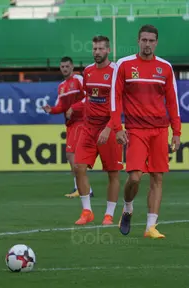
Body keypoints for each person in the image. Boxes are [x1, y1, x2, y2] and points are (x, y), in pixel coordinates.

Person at [111, 25, 181, 238]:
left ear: (156, 42)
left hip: (159, 130)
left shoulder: (166, 68)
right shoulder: (124, 65)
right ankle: (128, 208)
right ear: (138, 41)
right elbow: (115, 97)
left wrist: (176, 131)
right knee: (134, 178)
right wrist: (117, 127)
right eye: (144, 40)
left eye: (151, 40)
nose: (147, 44)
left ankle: (151, 226)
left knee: (157, 178)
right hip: (135, 130)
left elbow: (172, 101)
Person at [69, 35, 123, 225]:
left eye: (101, 49)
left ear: (108, 50)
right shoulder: (88, 71)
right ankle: (87, 211)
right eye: (94, 49)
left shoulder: (116, 71)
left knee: (113, 173)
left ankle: (109, 214)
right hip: (89, 128)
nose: (97, 52)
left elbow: (119, 103)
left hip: (109, 128)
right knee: (78, 167)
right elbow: (89, 98)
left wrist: (110, 128)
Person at [42, 57, 93, 198]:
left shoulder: (79, 79)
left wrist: (75, 107)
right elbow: (61, 106)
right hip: (71, 124)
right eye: (62, 66)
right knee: (73, 157)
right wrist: (51, 110)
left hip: (82, 121)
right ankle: (84, 188)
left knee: (72, 155)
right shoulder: (61, 86)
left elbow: (89, 96)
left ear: (72, 67)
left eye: (66, 66)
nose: (64, 69)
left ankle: (81, 189)